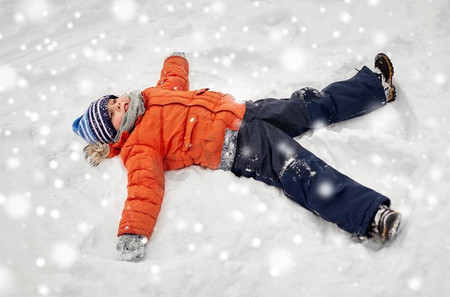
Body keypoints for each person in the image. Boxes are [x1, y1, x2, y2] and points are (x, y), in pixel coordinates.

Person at [72, 52, 402, 262]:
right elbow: (143, 190)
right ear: (112, 135)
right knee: (296, 166)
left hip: (246, 110)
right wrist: (132, 233)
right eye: (113, 114)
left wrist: (175, 60)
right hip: (238, 143)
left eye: (113, 101)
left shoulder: (150, 95)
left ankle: (374, 88)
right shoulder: (137, 148)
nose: (119, 105)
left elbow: (173, 79)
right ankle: (369, 215)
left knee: (307, 104)